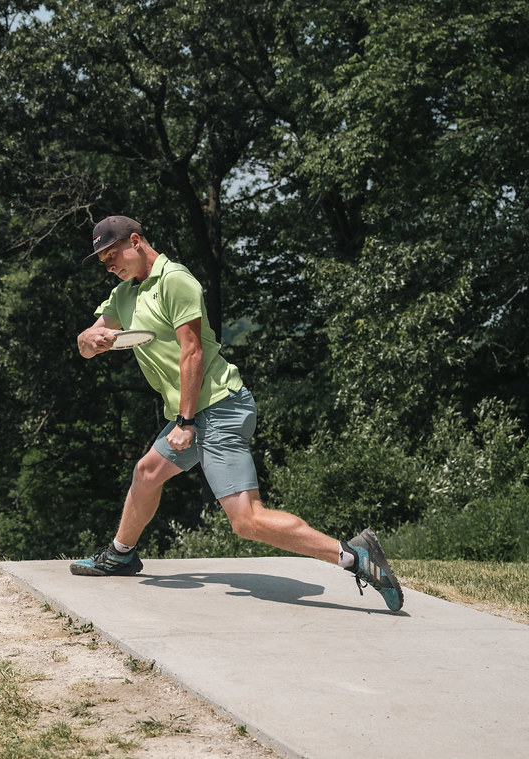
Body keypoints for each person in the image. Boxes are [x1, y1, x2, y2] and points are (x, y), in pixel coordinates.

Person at [70, 215, 403, 612]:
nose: (110, 266)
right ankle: (121, 554)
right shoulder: (125, 293)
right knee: (147, 472)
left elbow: (192, 352)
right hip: (194, 412)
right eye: (104, 262)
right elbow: (87, 344)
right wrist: (90, 339)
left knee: (246, 521)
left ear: (136, 241)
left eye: (113, 255)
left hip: (218, 409)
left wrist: (186, 422)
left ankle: (355, 557)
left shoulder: (176, 280)